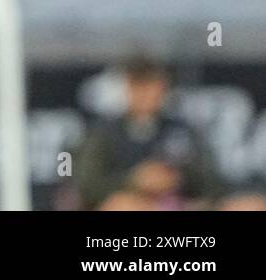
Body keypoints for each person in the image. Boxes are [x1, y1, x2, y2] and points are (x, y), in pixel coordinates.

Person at [76, 57, 220, 210]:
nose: (150, 94)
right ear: (128, 88)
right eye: (141, 86)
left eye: (155, 86)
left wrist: (176, 178)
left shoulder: (180, 130)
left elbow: (211, 182)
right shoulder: (104, 133)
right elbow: (87, 186)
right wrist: (134, 180)